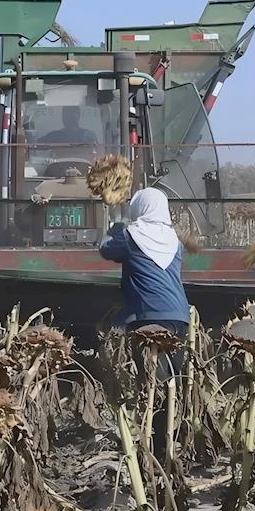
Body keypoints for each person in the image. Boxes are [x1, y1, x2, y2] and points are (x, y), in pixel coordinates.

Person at [99, 188, 189, 455]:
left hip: (146, 317)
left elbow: (105, 250)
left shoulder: (130, 236)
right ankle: (167, 442)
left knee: (148, 381)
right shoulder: (175, 240)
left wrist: (115, 221)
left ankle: (148, 444)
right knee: (171, 381)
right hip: (178, 316)